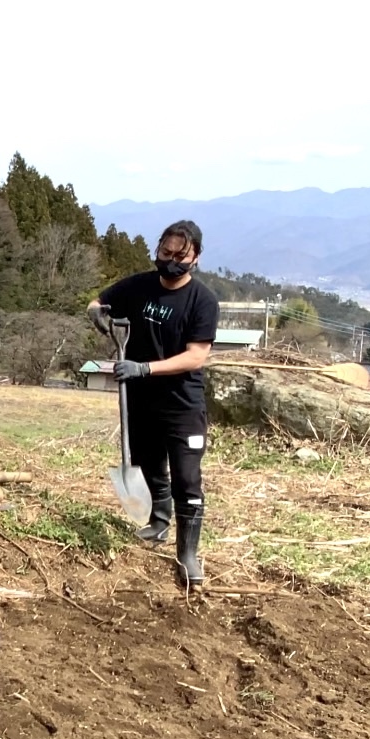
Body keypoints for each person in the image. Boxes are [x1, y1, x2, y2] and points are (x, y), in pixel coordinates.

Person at [87, 220, 219, 588]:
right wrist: (96, 311)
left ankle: (188, 553)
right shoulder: (140, 285)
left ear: (195, 257)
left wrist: (145, 368)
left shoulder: (202, 301)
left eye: (180, 256)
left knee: (187, 479)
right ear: (158, 249)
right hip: (141, 400)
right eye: (165, 253)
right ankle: (158, 521)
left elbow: (196, 357)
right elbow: (100, 299)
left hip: (182, 403)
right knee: (148, 464)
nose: (171, 261)